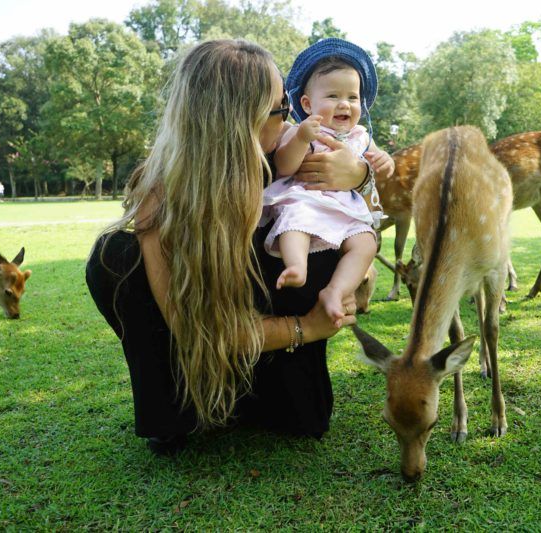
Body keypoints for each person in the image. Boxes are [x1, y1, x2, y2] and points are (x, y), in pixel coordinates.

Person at [85, 40, 388, 455]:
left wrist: (360, 178)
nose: (291, 121)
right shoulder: (161, 191)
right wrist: (307, 327)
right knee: (116, 257)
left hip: (267, 327)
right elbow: (191, 324)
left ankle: (263, 389)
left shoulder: (291, 154)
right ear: (238, 120)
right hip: (216, 332)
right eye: (280, 109)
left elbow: (365, 224)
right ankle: (176, 406)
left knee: (318, 250)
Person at [261, 38, 393, 326]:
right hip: (308, 200)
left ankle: (337, 291)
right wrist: (302, 139)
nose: (344, 104)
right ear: (307, 104)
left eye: (353, 97)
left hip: (345, 211)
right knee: (295, 224)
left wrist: (384, 162)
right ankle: (297, 265)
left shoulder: (359, 136)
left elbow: (374, 162)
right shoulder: (300, 131)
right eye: (333, 96)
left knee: (366, 243)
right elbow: (284, 166)